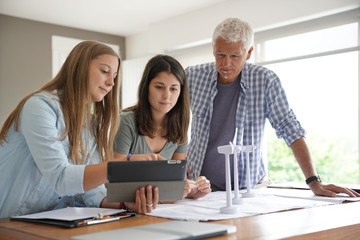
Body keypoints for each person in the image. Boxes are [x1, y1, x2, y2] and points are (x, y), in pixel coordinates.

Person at [185, 18, 360, 197]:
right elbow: (165, 118)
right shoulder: (192, 77)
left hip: (247, 190)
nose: (226, 64)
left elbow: (289, 128)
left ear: (249, 52)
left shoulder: (265, 81)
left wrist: (313, 181)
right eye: (220, 55)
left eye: (235, 56)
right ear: (213, 49)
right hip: (198, 190)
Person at [0, 41, 158, 218]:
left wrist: (124, 203)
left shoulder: (90, 124)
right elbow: (60, 178)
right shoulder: (39, 107)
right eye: (105, 71)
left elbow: (92, 192)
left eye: (114, 76)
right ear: (80, 67)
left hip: (46, 220)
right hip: (9, 221)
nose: (111, 82)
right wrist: (123, 166)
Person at [113, 54, 211, 199]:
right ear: (146, 87)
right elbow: (115, 178)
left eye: (173, 89)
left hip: (160, 210)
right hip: (128, 207)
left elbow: (178, 180)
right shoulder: (125, 122)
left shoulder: (180, 126)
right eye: (159, 87)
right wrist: (168, 191)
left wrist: (191, 190)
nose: (167, 96)